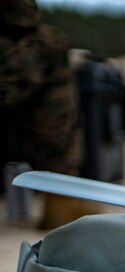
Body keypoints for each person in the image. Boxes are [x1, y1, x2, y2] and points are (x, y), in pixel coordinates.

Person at [0, 0, 92, 227]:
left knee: (58, 165)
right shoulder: (48, 36)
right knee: (62, 164)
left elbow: (22, 82)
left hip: (49, 114)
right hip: (54, 110)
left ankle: (58, 221)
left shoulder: (35, 41)